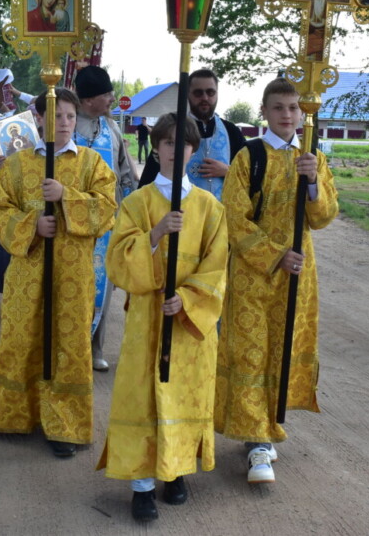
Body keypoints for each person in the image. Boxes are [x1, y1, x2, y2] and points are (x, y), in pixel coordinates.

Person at [97, 113, 227, 522]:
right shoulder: (137, 203)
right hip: (147, 320)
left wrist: (186, 300)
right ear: (156, 149)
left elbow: (217, 267)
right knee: (142, 397)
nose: (175, 151)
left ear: (193, 150)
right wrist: (154, 235)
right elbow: (118, 262)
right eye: (167, 143)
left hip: (187, 323)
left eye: (182, 144)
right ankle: (141, 486)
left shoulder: (209, 207)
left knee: (183, 392)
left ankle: (176, 471)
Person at [214, 77, 339, 484]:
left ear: (303, 113)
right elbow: (234, 218)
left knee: (281, 351)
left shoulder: (312, 157)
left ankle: (265, 425)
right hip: (254, 275)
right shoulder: (249, 157)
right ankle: (257, 443)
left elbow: (323, 217)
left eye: (293, 107)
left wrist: (313, 184)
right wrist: (274, 254)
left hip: (297, 276)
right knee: (251, 353)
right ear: (264, 112)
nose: (287, 115)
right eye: (279, 107)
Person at [0, 88, 117, 458]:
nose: (65, 123)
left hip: (73, 275)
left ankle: (65, 426)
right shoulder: (17, 164)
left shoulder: (91, 163)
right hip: (27, 273)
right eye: (57, 116)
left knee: (68, 345)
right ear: (39, 119)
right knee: (22, 337)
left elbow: (108, 209)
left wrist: (65, 196)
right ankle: (15, 414)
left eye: (71, 116)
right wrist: (32, 226)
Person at [74, 65, 137, 372]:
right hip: (71, 220)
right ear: (88, 99)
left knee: (103, 287)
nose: (112, 99)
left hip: (107, 221)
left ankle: (95, 347)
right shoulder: (67, 123)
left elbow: (125, 172)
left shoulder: (111, 127)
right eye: (107, 94)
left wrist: (132, 207)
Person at [139, 68, 244, 203]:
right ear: (188, 94)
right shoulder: (173, 130)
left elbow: (250, 177)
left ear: (217, 94)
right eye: (198, 93)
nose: (205, 98)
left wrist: (228, 171)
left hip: (223, 213)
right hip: (180, 212)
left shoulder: (231, 131)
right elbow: (148, 183)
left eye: (210, 92)